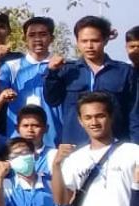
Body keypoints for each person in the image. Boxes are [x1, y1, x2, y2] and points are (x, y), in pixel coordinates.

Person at [52, 91, 139, 206]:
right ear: (80, 121)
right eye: (88, 117)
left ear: (111, 117)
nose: (94, 122)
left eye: (100, 116)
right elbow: (62, 200)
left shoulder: (132, 152)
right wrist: (56, 165)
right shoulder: (75, 158)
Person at [45, 16, 137, 146]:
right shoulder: (67, 70)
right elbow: (52, 100)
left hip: (115, 146)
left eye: (95, 41)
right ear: (77, 42)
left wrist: (135, 146)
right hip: (75, 145)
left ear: (105, 40)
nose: (89, 46)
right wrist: (52, 73)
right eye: (84, 41)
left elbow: (134, 113)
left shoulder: (124, 72)